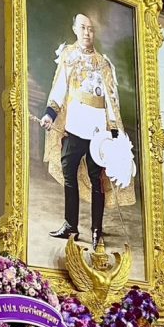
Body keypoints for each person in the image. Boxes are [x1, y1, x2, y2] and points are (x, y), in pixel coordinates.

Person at [40, 13, 121, 248]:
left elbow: (111, 99)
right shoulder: (69, 56)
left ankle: (96, 230)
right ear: (75, 29)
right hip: (74, 125)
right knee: (69, 173)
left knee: (97, 179)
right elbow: (60, 88)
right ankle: (70, 225)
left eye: (91, 29)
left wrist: (113, 130)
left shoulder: (103, 64)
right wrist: (50, 114)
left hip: (97, 131)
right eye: (83, 28)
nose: (87, 32)